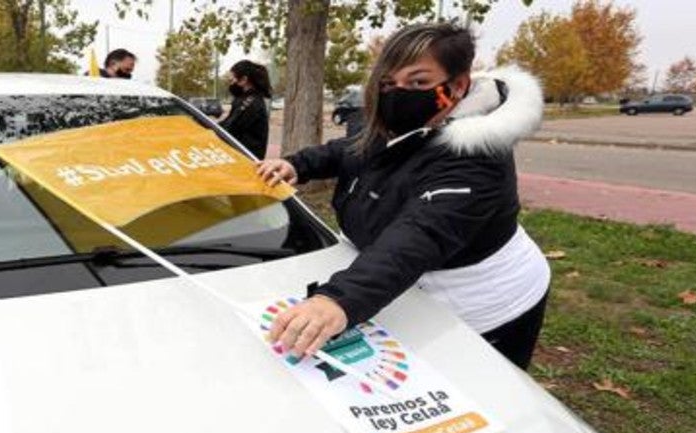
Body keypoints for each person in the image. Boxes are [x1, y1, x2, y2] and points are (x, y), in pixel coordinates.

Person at [257, 22, 550, 369]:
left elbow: (420, 234)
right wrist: (298, 165)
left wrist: (338, 301)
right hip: (400, 284)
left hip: (484, 303)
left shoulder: (476, 157)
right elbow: (351, 150)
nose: (399, 93)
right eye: (388, 83)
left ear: (457, 85)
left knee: (477, 388)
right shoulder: (402, 124)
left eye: (418, 82)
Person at [219, 59, 272, 159]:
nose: (230, 84)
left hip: (247, 160)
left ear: (243, 80)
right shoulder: (246, 99)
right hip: (241, 157)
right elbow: (228, 122)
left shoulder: (250, 102)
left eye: (232, 80)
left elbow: (230, 128)